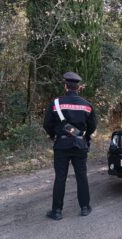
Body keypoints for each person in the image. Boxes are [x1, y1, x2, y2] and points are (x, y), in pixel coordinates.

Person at [43, 72, 97, 220]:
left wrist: (53, 135)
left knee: (60, 177)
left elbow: (47, 124)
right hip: (80, 145)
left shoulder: (56, 103)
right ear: (78, 87)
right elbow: (92, 126)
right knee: (81, 176)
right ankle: (85, 208)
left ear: (66, 86)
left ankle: (57, 211)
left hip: (61, 145)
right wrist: (85, 137)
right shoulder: (87, 105)